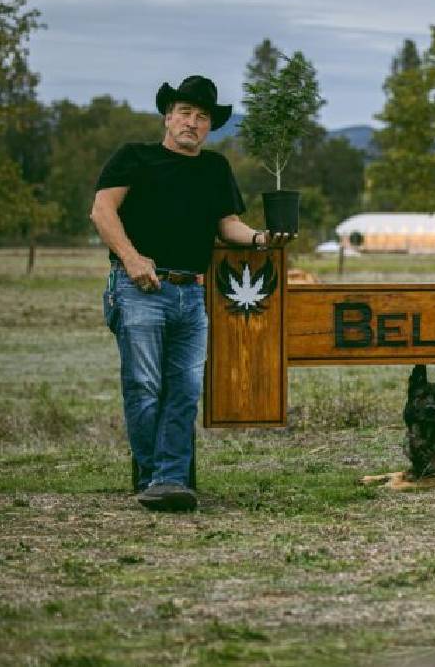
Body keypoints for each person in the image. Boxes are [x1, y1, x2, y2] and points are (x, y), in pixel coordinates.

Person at [90, 75, 291, 511]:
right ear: (168, 116)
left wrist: (261, 239)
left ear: (209, 127)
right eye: (185, 113)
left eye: (202, 117)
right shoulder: (135, 158)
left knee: (183, 389)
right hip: (140, 287)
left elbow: (227, 225)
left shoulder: (214, 169)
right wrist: (131, 258)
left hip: (191, 293)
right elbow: (102, 211)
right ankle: (157, 477)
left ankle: (168, 479)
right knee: (144, 386)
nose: (193, 122)